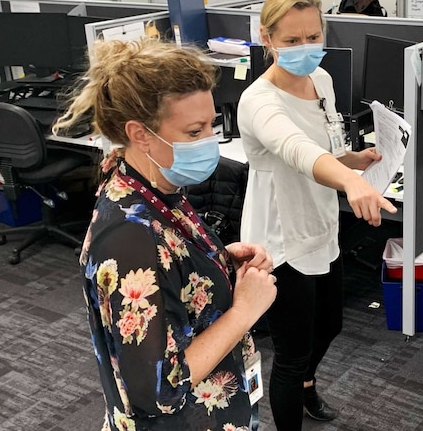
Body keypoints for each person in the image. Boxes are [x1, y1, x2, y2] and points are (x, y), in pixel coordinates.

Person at [53, 39, 278, 430]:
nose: (210, 140)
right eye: (195, 131)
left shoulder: (151, 184)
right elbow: (159, 389)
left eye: (212, 125)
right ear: (140, 134)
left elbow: (169, 265)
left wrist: (217, 261)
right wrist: (245, 311)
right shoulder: (128, 239)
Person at [237, 0, 397, 430]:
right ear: (267, 40)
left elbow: (323, 147)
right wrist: (349, 181)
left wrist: (353, 161)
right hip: (280, 238)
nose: (305, 47)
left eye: (313, 36)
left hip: (321, 223)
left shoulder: (321, 80)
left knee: (329, 326)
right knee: (291, 353)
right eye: (291, 40)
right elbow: (294, 149)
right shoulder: (259, 101)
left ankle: (307, 387)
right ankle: (295, 402)